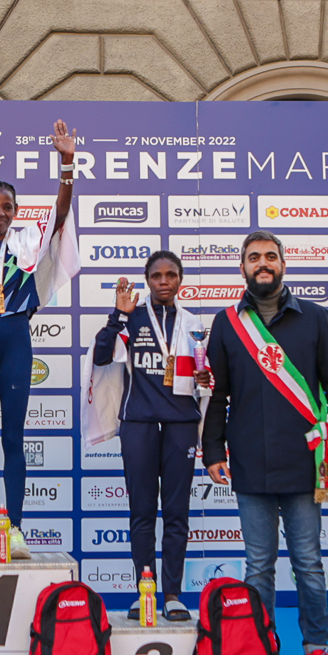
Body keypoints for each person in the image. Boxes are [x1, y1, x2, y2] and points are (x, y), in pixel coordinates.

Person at [202, 230, 328, 655]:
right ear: (243, 267)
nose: (262, 264)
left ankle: (317, 654)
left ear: (283, 265)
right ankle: (259, 652)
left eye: (270, 256)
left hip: (305, 462)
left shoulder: (315, 317)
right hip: (249, 462)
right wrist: (212, 450)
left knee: (308, 563)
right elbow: (216, 394)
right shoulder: (227, 323)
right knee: (258, 566)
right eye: (254, 258)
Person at [0, 118, 80, 560]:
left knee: (12, 437)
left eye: (8, 206)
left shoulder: (29, 241)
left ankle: (18, 528)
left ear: (16, 211)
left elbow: (61, 213)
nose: (0, 212)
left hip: (15, 336)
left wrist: (67, 162)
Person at [84, 251, 211, 622]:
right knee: (141, 512)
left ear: (180, 280)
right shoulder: (131, 319)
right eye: (156, 276)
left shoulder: (193, 324)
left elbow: (208, 378)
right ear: (147, 280)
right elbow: (102, 356)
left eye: (171, 275)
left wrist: (208, 378)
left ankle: (172, 593)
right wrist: (118, 314)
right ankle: (145, 589)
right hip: (138, 423)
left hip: (181, 424)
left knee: (176, 513)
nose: (164, 281)